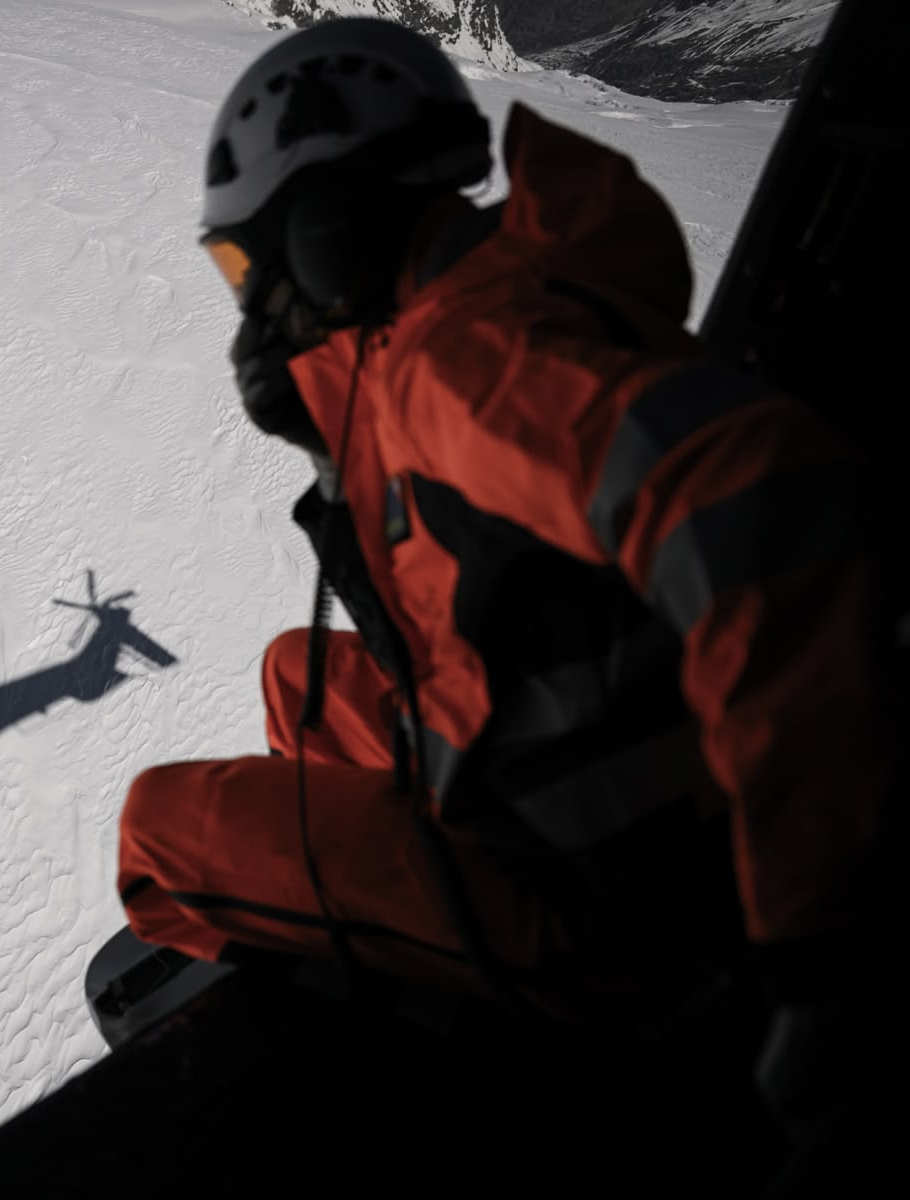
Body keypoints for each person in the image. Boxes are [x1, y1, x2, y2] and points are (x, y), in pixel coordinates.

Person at [115, 16, 903, 1149]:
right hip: (611, 784)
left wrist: (825, 949)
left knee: (157, 834)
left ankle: (370, 1038)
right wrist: (333, 425)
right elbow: (473, 548)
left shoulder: (461, 363)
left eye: (250, 259)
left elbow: (768, 497)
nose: (250, 297)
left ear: (330, 229)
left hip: (606, 922)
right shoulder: (479, 305)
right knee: (300, 676)